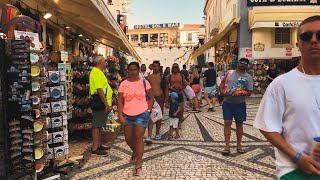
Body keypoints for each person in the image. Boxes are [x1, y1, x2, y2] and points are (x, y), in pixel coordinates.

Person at [254, 15, 320, 179]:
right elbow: (267, 126)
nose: (313, 40)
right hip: (295, 171)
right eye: (306, 36)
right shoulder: (281, 84)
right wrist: (297, 157)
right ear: (298, 44)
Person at [118, 62, 154, 176]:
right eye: (130, 70)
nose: (132, 72)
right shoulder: (123, 84)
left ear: (138, 70)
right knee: (128, 138)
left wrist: (148, 110)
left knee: (139, 138)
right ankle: (135, 152)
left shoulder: (145, 82)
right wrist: (120, 114)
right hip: (127, 114)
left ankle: (138, 164)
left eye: (134, 69)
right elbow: (119, 101)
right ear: (128, 71)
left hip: (141, 114)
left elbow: (152, 98)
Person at [219, 58, 253, 156]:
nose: (242, 65)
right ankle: (227, 146)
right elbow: (221, 86)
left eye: (245, 64)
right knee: (227, 122)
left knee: (239, 124)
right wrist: (223, 92)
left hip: (240, 103)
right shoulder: (229, 73)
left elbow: (249, 92)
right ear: (238, 63)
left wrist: (241, 92)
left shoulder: (248, 78)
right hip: (227, 103)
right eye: (241, 62)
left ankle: (239, 145)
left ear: (247, 66)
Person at [89, 55, 112, 156]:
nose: (106, 62)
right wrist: (106, 105)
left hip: (101, 102)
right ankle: (95, 147)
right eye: (104, 61)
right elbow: (100, 90)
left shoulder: (98, 72)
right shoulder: (96, 72)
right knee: (96, 125)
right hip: (100, 102)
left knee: (99, 125)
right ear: (100, 62)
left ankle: (98, 144)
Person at [145, 61, 167, 144]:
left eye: (157, 66)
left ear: (159, 67)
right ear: (152, 67)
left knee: (158, 117)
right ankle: (149, 135)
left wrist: (167, 99)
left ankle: (157, 133)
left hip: (160, 97)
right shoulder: (148, 77)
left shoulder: (162, 76)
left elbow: (165, 88)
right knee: (151, 117)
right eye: (154, 66)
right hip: (152, 99)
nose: (155, 68)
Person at [165, 63, 188, 129]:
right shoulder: (169, 76)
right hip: (173, 94)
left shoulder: (181, 75)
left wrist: (181, 88)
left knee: (181, 109)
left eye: (176, 67)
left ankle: (179, 122)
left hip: (180, 93)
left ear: (178, 68)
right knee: (173, 109)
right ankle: (174, 122)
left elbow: (186, 83)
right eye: (174, 67)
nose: (175, 69)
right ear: (172, 68)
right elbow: (166, 86)